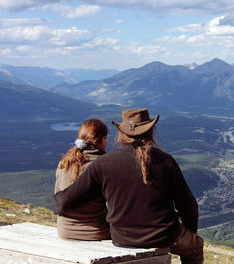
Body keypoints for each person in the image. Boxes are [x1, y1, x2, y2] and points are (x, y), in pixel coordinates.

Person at [53, 108, 203, 264]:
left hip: (122, 237)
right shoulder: (166, 161)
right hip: (163, 235)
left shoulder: (103, 164)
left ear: (122, 133)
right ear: (150, 131)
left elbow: (66, 201)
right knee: (196, 246)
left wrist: (57, 199)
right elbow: (188, 206)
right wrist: (191, 231)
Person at [54, 118, 110, 240]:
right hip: (96, 231)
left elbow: (58, 195)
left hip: (65, 231)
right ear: (103, 139)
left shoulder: (64, 162)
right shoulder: (104, 165)